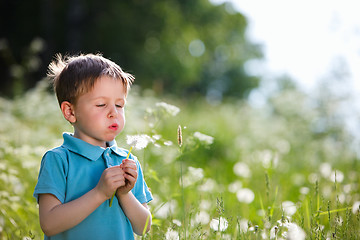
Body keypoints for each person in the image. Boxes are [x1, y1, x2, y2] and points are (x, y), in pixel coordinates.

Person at [33, 53, 153, 240]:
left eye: (119, 105)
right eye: (101, 104)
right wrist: (100, 193)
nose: (114, 113)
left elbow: (144, 227)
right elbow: (49, 224)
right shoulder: (58, 160)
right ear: (70, 111)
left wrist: (124, 194)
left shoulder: (128, 162)